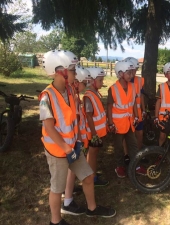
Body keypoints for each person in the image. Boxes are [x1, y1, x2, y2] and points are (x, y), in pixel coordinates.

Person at [40, 50, 116, 225]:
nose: (76, 72)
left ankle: (92, 208)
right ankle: (56, 221)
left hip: (73, 147)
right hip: (58, 151)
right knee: (57, 189)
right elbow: (49, 128)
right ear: (60, 71)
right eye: (73, 69)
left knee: (88, 176)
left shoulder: (70, 91)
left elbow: (74, 119)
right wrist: (67, 150)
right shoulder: (47, 96)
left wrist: (79, 141)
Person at [107, 61, 146, 178]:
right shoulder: (112, 89)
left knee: (133, 144)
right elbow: (109, 106)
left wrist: (136, 116)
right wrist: (110, 123)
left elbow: (133, 103)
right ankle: (120, 166)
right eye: (128, 73)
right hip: (117, 124)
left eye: (131, 73)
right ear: (120, 73)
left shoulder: (133, 87)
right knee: (118, 147)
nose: (131, 75)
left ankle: (136, 165)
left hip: (130, 122)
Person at [60, 65, 90, 216]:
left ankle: (68, 194)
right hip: (71, 143)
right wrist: (78, 142)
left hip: (74, 141)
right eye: (84, 83)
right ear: (77, 83)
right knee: (71, 171)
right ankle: (67, 201)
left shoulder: (74, 97)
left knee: (71, 172)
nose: (85, 87)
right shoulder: (72, 98)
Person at [83, 67, 109, 186]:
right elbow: (89, 116)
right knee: (92, 153)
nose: (102, 83)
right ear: (92, 81)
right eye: (100, 80)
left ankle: (92, 172)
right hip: (94, 133)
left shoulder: (95, 93)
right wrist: (94, 135)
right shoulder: (89, 96)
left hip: (98, 132)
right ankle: (91, 177)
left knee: (94, 153)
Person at [122, 57, 145, 165]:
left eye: (135, 70)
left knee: (139, 134)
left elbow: (141, 96)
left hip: (138, 112)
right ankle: (126, 155)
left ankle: (138, 154)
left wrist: (144, 110)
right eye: (131, 70)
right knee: (127, 135)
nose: (133, 72)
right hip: (126, 114)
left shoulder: (139, 80)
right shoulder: (123, 82)